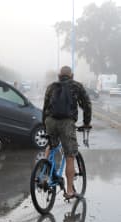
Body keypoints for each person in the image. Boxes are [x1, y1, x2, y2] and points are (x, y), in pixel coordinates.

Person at [42, 65, 92, 199]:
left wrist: (44, 123)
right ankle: (70, 191)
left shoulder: (51, 86)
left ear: (59, 75)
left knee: (51, 145)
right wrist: (86, 123)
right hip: (66, 123)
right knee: (70, 155)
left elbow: (45, 107)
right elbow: (86, 105)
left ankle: (44, 173)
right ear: (71, 75)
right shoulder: (77, 86)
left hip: (50, 121)